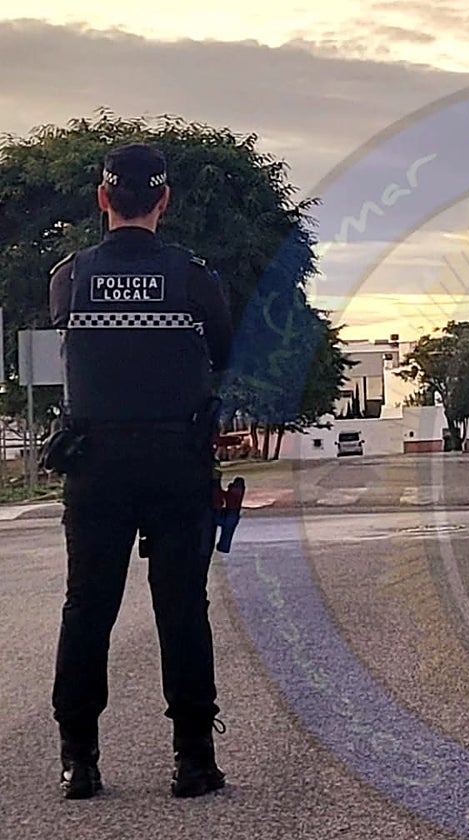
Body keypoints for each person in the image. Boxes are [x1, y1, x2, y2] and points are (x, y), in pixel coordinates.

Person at [47, 143, 234, 799]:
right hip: (176, 463)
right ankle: (193, 760)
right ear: (164, 201)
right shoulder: (193, 277)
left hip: (94, 465)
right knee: (182, 609)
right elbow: (222, 351)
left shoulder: (69, 276)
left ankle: (79, 761)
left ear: (103, 198)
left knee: (87, 607)